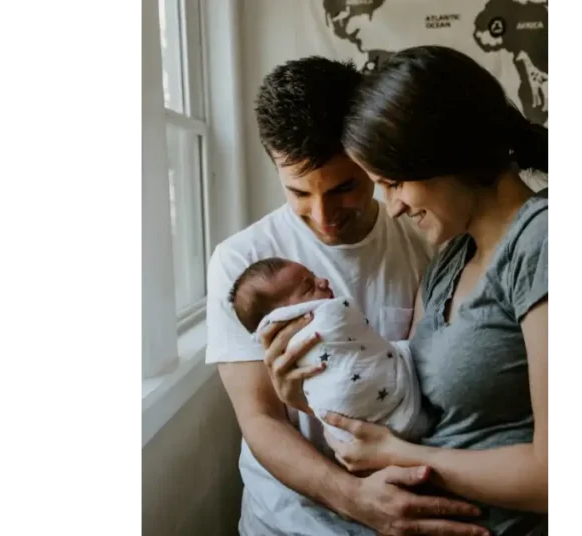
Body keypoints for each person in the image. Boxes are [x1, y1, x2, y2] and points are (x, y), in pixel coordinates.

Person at [267, 45, 554, 535]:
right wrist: (311, 395)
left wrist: (400, 455)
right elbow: (413, 405)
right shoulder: (448, 258)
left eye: (395, 182)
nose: (393, 207)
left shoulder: (540, 243)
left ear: (448, 155)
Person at [205, 56, 491, 536]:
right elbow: (260, 420)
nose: (323, 215)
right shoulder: (242, 264)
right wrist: (357, 499)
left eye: (344, 188)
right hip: (287, 520)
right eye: (299, 192)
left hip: (408, 506)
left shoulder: (428, 238)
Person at [228, 257, 432, 444]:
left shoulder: (414, 249)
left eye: (313, 276)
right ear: (285, 315)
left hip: (355, 438)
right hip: (330, 454)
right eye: (308, 287)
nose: (323, 281)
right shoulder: (235, 256)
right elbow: (260, 420)